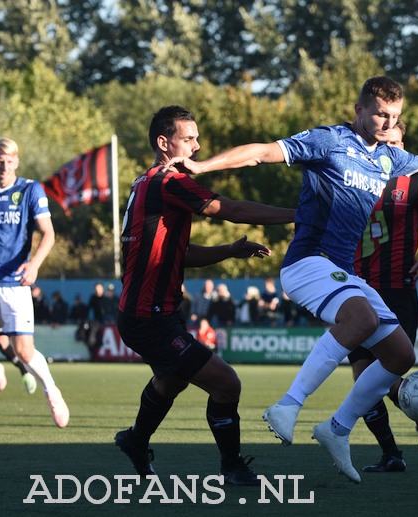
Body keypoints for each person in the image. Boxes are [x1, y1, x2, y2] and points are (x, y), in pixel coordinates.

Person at [166, 76, 418, 483]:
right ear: (359, 110)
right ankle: (288, 405)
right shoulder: (328, 141)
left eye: (395, 117)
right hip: (307, 263)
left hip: (342, 273)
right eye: (380, 114)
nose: (388, 123)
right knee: (364, 321)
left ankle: (337, 428)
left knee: (401, 356)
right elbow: (261, 153)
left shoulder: (390, 158)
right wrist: (203, 165)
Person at [113, 105, 295, 484]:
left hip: (152, 313)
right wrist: (300, 213)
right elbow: (231, 208)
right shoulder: (169, 183)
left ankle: (135, 440)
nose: (197, 146)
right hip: (149, 317)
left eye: (197, 137)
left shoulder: (144, 182)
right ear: (164, 143)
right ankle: (232, 467)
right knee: (226, 382)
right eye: (188, 138)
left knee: (172, 380)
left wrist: (228, 250)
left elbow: (180, 254)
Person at [349, 121, 418, 472]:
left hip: (397, 292)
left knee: (386, 376)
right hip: (356, 291)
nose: (388, 150)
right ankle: (392, 453)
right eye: (382, 143)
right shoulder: (355, 179)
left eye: (394, 143)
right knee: (364, 381)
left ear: (403, 145)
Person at [0, 137, 69, 436]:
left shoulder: (30, 190)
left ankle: (51, 390)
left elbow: (48, 234)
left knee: (23, 351)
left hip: (15, 282)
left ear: (17, 162)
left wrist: (35, 265)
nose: (4, 164)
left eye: (9, 160)